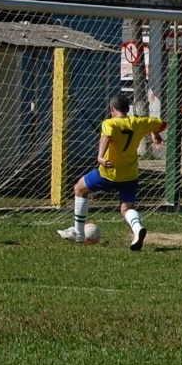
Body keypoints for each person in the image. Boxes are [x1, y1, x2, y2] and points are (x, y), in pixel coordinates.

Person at [61, 95, 165, 250]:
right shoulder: (139, 122)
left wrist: (100, 157)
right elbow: (162, 123)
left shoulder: (110, 123)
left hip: (109, 173)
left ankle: (78, 232)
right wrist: (155, 133)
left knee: (79, 189)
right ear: (127, 109)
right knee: (126, 208)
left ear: (112, 109)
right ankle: (137, 230)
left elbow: (106, 138)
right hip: (130, 174)